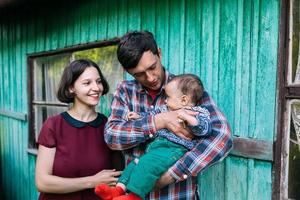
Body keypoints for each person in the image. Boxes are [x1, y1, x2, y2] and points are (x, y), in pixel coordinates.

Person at [104, 31, 233, 199]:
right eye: (139, 74)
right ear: (127, 71)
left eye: (152, 67)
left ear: (159, 53)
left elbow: (222, 138)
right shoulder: (125, 91)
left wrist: (173, 173)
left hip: (176, 195)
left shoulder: (187, 88)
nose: (150, 78)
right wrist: (159, 121)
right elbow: (112, 136)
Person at [95, 74, 212, 200]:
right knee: (135, 163)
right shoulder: (165, 109)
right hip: (158, 147)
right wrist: (139, 116)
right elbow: (152, 115)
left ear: (183, 100)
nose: (165, 100)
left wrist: (188, 118)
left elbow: (204, 128)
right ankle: (118, 190)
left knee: (146, 165)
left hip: (173, 149)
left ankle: (134, 196)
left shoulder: (198, 112)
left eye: (168, 97)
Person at [35, 59, 122, 200]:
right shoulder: (54, 125)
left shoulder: (109, 126)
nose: (96, 88)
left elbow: (116, 178)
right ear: (71, 88)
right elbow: (42, 182)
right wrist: (92, 181)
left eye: (98, 81)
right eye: (87, 83)